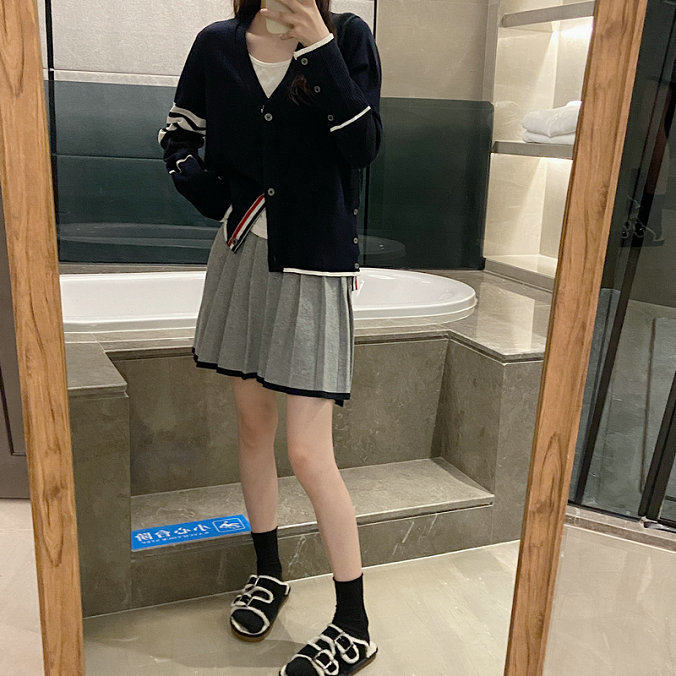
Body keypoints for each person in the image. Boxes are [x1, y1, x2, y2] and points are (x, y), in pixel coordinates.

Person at [157, 1, 383, 673]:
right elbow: (177, 136)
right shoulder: (217, 44)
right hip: (239, 257)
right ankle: (268, 572)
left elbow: (363, 148)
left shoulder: (347, 37)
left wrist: (318, 45)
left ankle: (354, 623)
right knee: (253, 428)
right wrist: (216, 197)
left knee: (309, 452)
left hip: (314, 264)